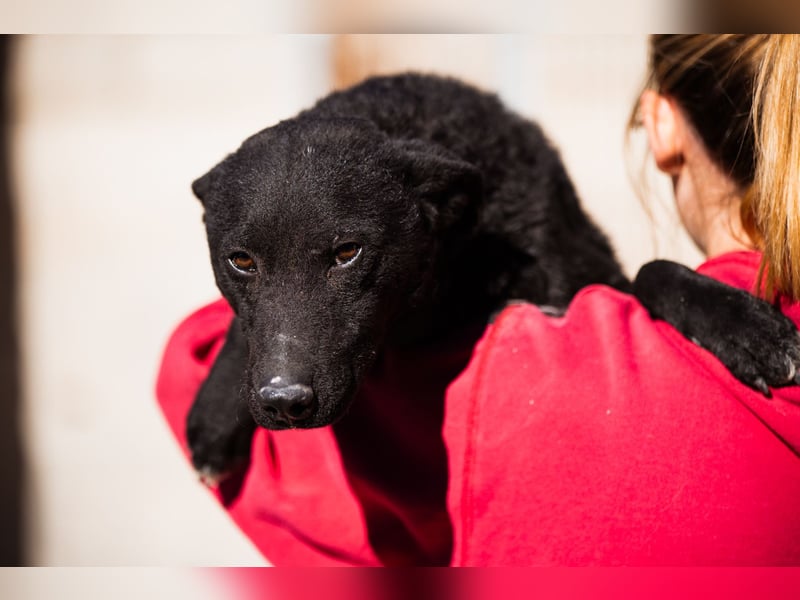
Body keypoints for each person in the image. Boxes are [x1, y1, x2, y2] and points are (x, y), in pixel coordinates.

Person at [156, 35, 800, 565]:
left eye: (345, 254)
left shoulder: (508, 255)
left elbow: (185, 362)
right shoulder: (628, 351)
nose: (280, 381)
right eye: (244, 264)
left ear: (661, 126)